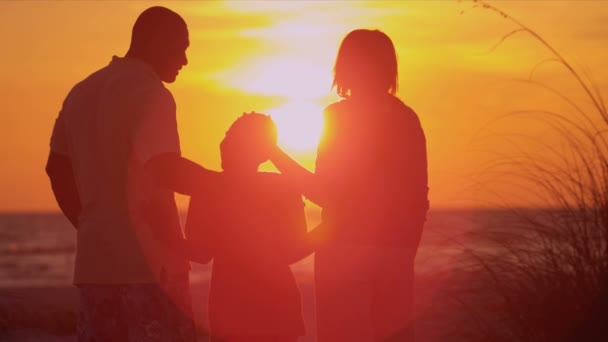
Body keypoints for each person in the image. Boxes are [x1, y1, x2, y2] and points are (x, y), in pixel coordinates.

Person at [45, 6, 220, 341]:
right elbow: (166, 167)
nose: (184, 60)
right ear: (155, 40)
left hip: (94, 267)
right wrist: (227, 185)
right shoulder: (151, 93)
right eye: (181, 47)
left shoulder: (81, 91)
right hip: (151, 267)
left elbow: (56, 168)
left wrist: (87, 222)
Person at [269, 29, 429, 341]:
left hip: (343, 251)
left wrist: (274, 154)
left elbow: (323, 193)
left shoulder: (337, 118)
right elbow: (418, 199)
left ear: (344, 68)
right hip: (394, 250)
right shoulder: (407, 119)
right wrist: (405, 250)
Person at [185, 113, 312, 342]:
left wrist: (159, 231)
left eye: (232, 136)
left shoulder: (206, 186)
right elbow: (294, 250)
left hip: (234, 311)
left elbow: (199, 253)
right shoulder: (284, 185)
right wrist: (327, 229)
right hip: (274, 310)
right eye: (227, 135)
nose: (224, 141)